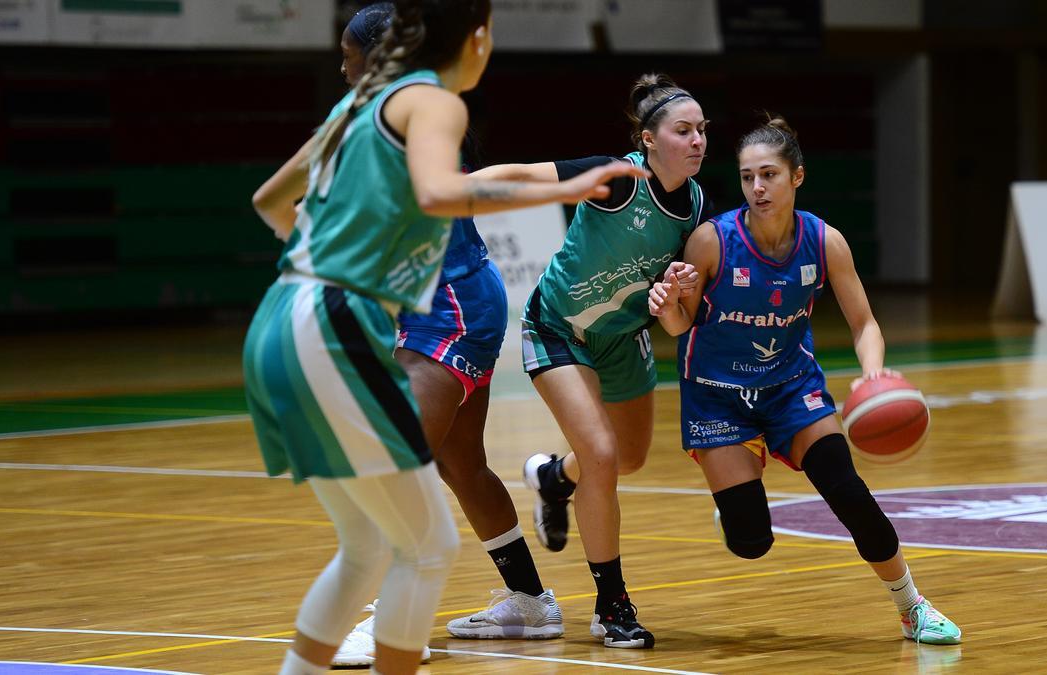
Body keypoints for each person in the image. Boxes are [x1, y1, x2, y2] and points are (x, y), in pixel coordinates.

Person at [243, 1, 644, 672]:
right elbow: (437, 193)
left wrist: (333, 257)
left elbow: (271, 203)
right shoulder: (418, 104)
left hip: (435, 309)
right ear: (476, 39)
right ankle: (415, 617)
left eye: (349, 59)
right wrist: (569, 187)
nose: (343, 71)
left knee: (429, 479)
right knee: (427, 490)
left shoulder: (367, 116)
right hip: (389, 311)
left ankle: (505, 604)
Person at [647, 115, 962, 646]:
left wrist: (873, 372)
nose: (757, 188)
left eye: (768, 175)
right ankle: (734, 505)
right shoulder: (712, 241)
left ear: (796, 177)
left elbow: (864, 324)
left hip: (792, 386)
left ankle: (913, 607)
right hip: (717, 397)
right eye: (747, 177)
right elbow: (681, 327)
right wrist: (666, 306)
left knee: (848, 492)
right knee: (750, 542)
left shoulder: (824, 241)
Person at [470, 73, 712, 649]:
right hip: (559, 329)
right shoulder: (617, 179)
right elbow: (521, 174)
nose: (698, 139)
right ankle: (612, 606)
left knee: (627, 457)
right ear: (649, 140)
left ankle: (555, 480)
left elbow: (675, 312)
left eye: (703, 130)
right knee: (601, 455)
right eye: (684, 130)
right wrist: (449, 188)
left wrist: (674, 290)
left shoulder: (697, 204)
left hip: (624, 338)